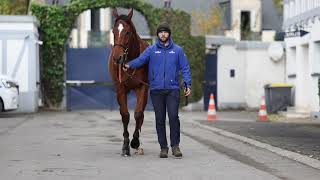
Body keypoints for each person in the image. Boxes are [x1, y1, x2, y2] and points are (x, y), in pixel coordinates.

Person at [123, 22, 191, 158]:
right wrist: (128, 65)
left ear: (169, 34)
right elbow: (140, 60)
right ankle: (163, 148)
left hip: (173, 90)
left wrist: (187, 84)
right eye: (161, 32)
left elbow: (185, 68)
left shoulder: (178, 50)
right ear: (158, 34)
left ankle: (175, 146)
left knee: (173, 118)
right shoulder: (152, 50)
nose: (163, 34)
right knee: (159, 119)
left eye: (165, 32)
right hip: (156, 90)